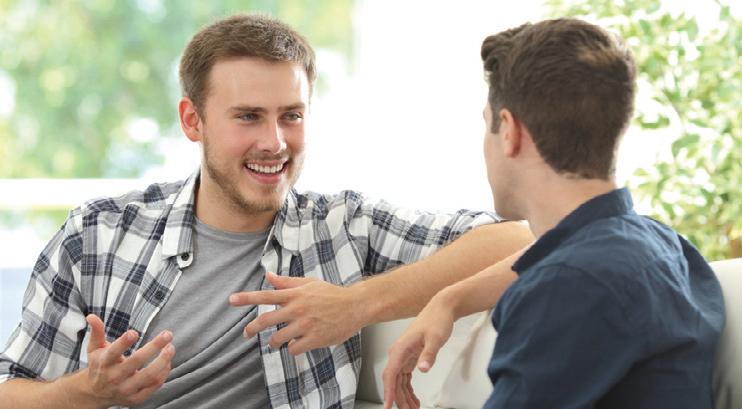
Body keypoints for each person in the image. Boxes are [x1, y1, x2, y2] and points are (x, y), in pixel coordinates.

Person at [0, 14, 533, 409]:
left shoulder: (343, 227)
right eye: (249, 116)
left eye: (291, 116)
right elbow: (9, 389)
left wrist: (356, 305)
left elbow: (518, 238)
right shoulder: (97, 234)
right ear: (192, 120)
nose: (275, 142)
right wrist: (87, 392)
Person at [383, 18, 725, 409]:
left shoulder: (572, 286)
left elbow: (573, 270)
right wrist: (449, 299)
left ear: (509, 131)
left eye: (487, 124)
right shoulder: (659, 241)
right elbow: (562, 251)